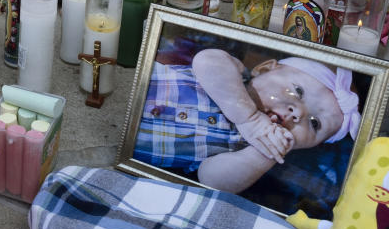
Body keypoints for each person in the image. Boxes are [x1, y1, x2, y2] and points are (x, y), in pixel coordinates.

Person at [134, 49, 359, 194]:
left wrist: (265, 153)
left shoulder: (241, 150)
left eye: (315, 123)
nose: (297, 113)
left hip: (122, 149)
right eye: (298, 91)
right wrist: (249, 118)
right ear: (264, 69)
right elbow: (206, 61)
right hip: (126, 87)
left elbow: (211, 181)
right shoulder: (236, 75)